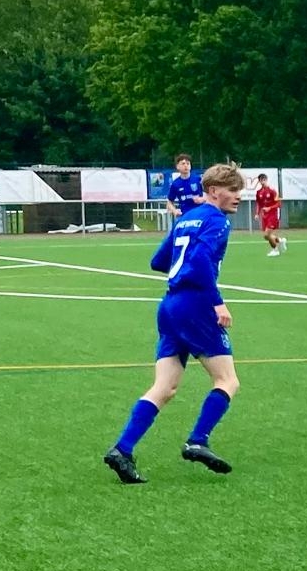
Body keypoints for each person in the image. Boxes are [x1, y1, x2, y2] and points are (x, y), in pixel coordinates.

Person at [104, 162, 246, 485]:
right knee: (227, 380)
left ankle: (122, 449)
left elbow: (158, 261)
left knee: (164, 387)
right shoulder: (217, 221)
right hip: (196, 306)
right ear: (214, 191)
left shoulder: (185, 218)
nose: (238, 196)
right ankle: (198, 440)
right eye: (232, 190)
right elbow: (199, 261)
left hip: (169, 306)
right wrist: (217, 301)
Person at [254, 173, 287, 256]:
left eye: (264, 179)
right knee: (266, 236)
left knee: (267, 234)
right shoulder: (259, 192)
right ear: (259, 181)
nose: (263, 181)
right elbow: (259, 204)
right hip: (265, 216)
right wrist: (257, 213)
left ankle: (275, 250)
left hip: (273, 215)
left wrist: (270, 208)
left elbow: (279, 203)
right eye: (261, 180)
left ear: (266, 180)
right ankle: (280, 240)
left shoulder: (272, 190)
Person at [165, 154, 203, 220]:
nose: (186, 166)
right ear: (177, 166)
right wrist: (175, 211)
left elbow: (208, 194)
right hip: (185, 216)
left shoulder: (198, 179)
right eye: (183, 164)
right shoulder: (175, 184)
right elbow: (169, 202)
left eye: (188, 163)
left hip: (200, 214)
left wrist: (202, 199)